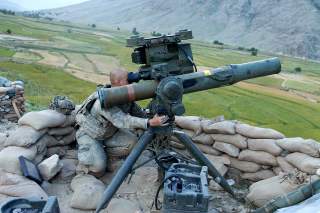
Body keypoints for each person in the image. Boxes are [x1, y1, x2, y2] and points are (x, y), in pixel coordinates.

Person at [75, 69, 167, 176]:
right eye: (128, 79)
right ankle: (85, 162)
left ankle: (107, 155)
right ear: (120, 82)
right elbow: (123, 120)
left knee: (133, 142)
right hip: (90, 135)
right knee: (98, 168)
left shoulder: (123, 95)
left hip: (109, 133)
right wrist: (149, 122)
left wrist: (151, 117)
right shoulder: (104, 100)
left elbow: (137, 112)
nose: (132, 80)